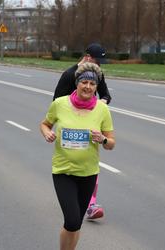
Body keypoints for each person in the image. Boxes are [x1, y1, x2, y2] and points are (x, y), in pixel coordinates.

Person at [40, 62, 115, 250]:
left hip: (88, 173)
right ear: (77, 83)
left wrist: (103, 139)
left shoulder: (102, 109)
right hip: (63, 171)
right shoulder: (60, 104)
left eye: (92, 84)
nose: (88, 87)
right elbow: (45, 124)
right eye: (84, 82)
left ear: (96, 87)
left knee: (77, 225)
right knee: (72, 221)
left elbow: (111, 144)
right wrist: (47, 132)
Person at [53, 43, 111, 220]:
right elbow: (56, 100)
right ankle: (72, 195)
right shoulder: (69, 75)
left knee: (90, 161)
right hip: (70, 126)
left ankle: (90, 204)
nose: (99, 65)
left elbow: (106, 95)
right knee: (72, 163)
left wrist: (102, 104)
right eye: (97, 60)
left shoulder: (97, 75)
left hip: (90, 123)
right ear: (86, 57)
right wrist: (71, 107)